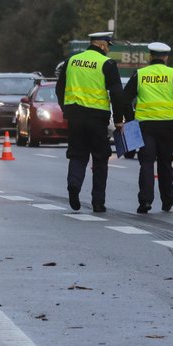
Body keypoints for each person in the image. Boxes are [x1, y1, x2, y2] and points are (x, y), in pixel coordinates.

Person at [123, 42, 173, 214]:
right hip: (167, 124)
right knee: (165, 162)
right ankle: (168, 200)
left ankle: (146, 201)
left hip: (145, 125)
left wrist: (130, 119)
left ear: (150, 57)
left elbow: (125, 98)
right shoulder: (172, 74)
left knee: (146, 163)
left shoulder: (140, 74)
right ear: (166, 57)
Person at [55, 32, 125, 213]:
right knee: (100, 159)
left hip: (75, 117)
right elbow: (117, 94)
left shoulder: (71, 61)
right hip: (97, 119)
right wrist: (118, 120)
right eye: (108, 45)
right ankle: (98, 202)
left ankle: (74, 185)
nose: (108, 49)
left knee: (78, 155)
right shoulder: (106, 64)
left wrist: (66, 109)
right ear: (102, 45)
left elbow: (59, 88)